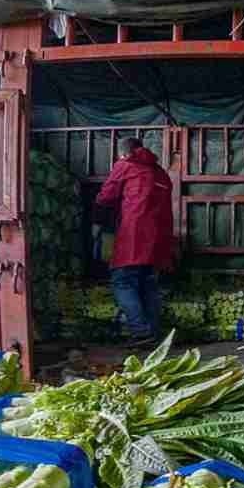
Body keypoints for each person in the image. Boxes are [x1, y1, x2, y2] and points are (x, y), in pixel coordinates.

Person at [97, 137, 174, 345]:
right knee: (148, 285)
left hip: (134, 236)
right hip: (158, 242)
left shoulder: (126, 166)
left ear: (124, 153)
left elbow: (105, 197)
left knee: (123, 282)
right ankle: (154, 333)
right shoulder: (162, 175)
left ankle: (140, 331)